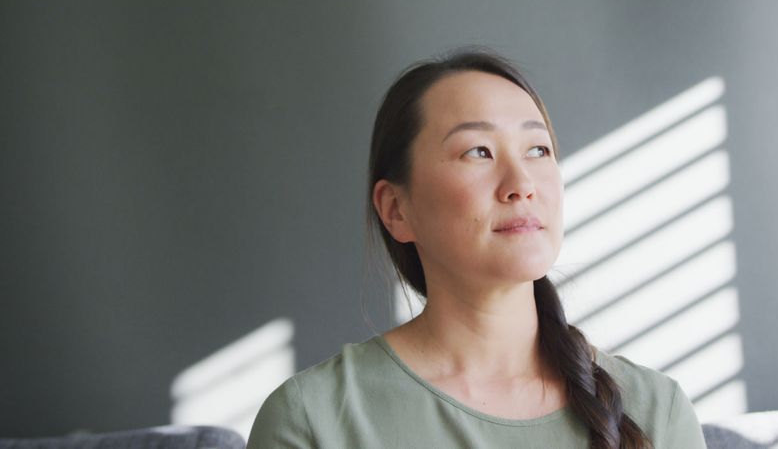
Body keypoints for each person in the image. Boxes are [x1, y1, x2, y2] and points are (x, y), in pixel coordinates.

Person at [247, 49, 707, 448]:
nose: (522, 184)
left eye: (538, 150)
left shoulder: (656, 411)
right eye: (478, 152)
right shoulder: (313, 420)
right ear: (396, 210)